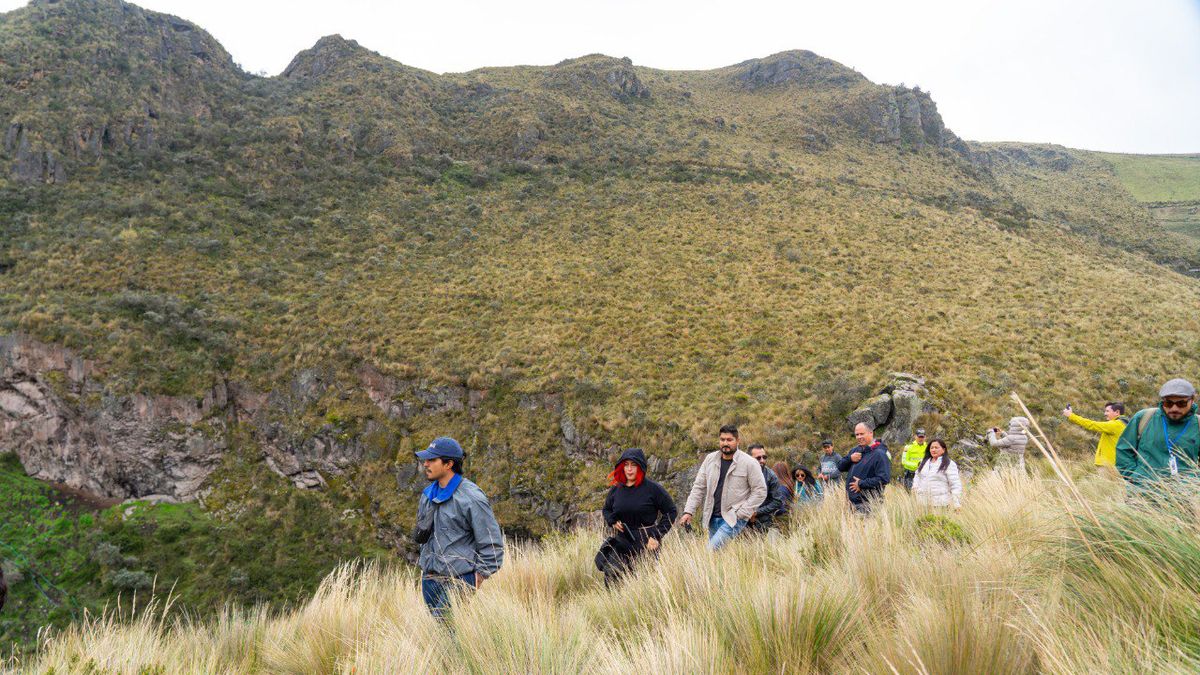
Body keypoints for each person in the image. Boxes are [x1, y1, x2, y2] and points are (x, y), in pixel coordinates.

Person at [413, 436, 504, 618]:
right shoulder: (427, 495)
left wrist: (476, 579)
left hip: (458, 581)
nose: (425, 464)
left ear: (448, 464)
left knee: (448, 631)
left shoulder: (472, 498)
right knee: (440, 633)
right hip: (429, 581)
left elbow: (492, 546)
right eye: (426, 459)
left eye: (432, 460)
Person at [596, 448, 677, 586]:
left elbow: (671, 511)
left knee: (643, 582)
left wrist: (657, 535)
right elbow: (607, 510)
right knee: (612, 577)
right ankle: (614, 606)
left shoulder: (653, 489)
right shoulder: (616, 489)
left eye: (633, 465)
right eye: (626, 465)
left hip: (646, 542)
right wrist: (612, 521)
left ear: (641, 467)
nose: (629, 469)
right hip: (622, 541)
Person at [679, 424, 768, 550]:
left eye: (729, 440)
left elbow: (760, 491)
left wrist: (742, 513)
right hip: (712, 517)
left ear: (738, 441)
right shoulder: (710, 459)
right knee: (719, 558)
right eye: (722, 439)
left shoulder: (749, 463)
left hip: (733, 519)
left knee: (710, 552)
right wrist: (689, 511)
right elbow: (698, 487)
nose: (725, 443)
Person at [1115, 379, 1200, 487]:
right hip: (1142, 495)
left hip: (1185, 497)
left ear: (1192, 400)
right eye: (1168, 403)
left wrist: (1193, 485)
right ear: (1162, 401)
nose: (1174, 408)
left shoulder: (1198, 424)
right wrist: (1135, 478)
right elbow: (1124, 449)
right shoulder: (1143, 418)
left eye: (1181, 403)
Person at [838, 423, 891, 513]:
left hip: (869, 504)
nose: (859, 437)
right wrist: (850, 459)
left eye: (862, 434)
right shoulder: (855, 450)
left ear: (871, 433)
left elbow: (884, 479)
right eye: (857, 434)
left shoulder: (880, 454)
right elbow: (840, 467)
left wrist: (861, 484)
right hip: (851, 503)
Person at [1062, 402, 1127, 473]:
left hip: (1107, 465)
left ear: (1117, 412)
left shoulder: (1115, 425)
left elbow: (1091, 424)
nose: (1105, 414)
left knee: (1104, 484)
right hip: (1114, 464)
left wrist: (1071, 416)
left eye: (1107, 411)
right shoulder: (1123, 424)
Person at [911, 439, 963, 509]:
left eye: (936, 448)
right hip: (922, 504)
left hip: (940, 505)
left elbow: (955, 484)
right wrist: (915, 487)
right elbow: (917, 475)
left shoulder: (949, 464)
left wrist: (956, 503)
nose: (933, 450)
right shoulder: (923, 462)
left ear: (943, 450)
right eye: (931, 448)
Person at [747, 444, 788, 531]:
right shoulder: (740, 473)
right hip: (740, 520)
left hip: (762, 521)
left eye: (764, 457)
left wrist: (756, 513)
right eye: (758, 458)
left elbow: (777, 501)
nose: (762, 460)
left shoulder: (771, 476)